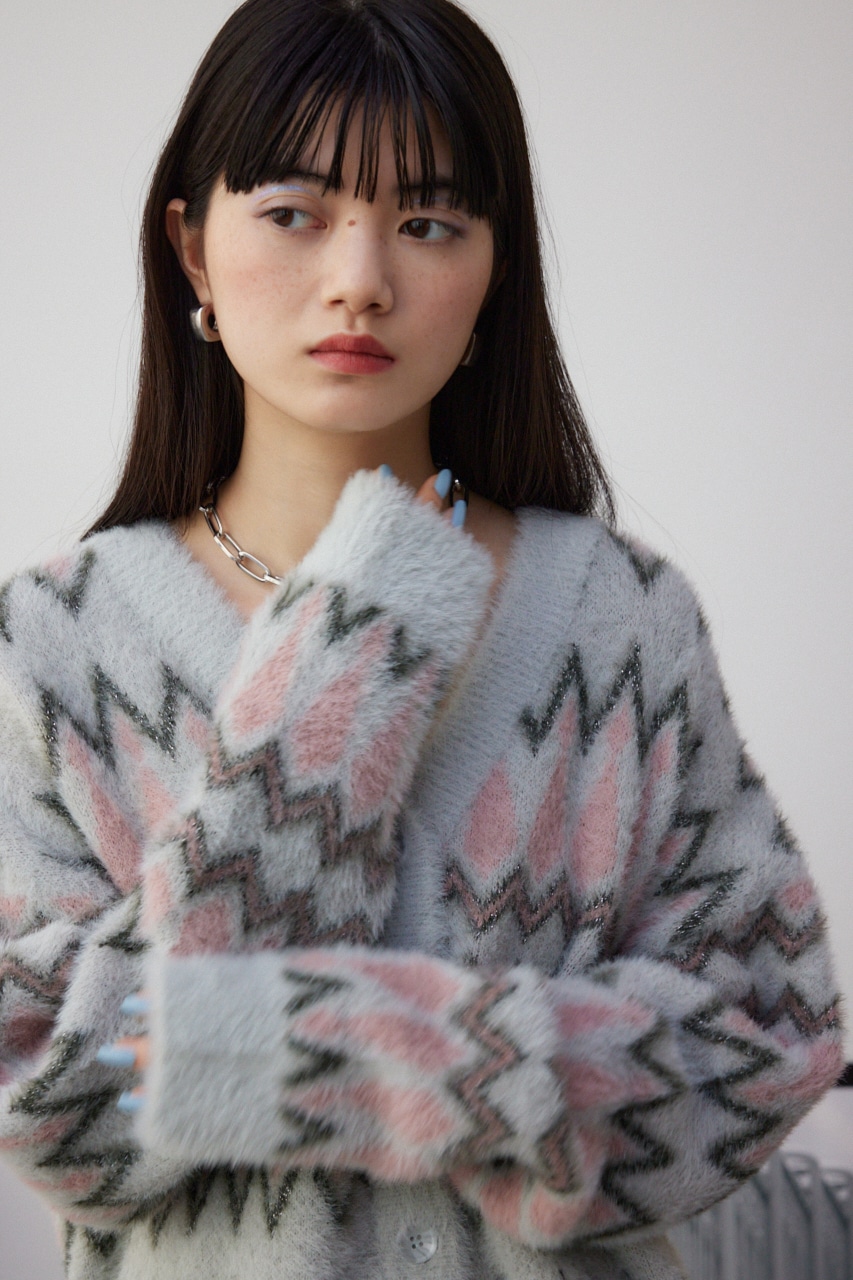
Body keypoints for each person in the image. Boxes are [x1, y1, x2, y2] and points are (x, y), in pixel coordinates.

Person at [0, 0, 842, 1277]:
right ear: (191, 251)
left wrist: (348, 1055)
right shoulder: (53, 649)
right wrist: (353, 649)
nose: (361, 278)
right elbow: (55, 1110)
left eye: (429, 222)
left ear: (494, 267)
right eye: (295, 212)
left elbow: (770, 1035)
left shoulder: (621, 621)